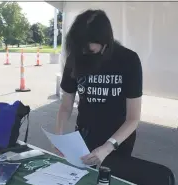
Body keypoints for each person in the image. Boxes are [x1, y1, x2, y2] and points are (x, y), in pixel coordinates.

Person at [55, 9, 142, 167]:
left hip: (118, 141)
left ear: (105, 41)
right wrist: (59, 135)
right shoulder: (75, 59)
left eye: (89, 50)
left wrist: (107, 147)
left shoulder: (128, 60)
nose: (84, 53)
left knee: (108, 183)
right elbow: (66, 106)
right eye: (79, 49)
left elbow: (133, 118)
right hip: (83, 137)